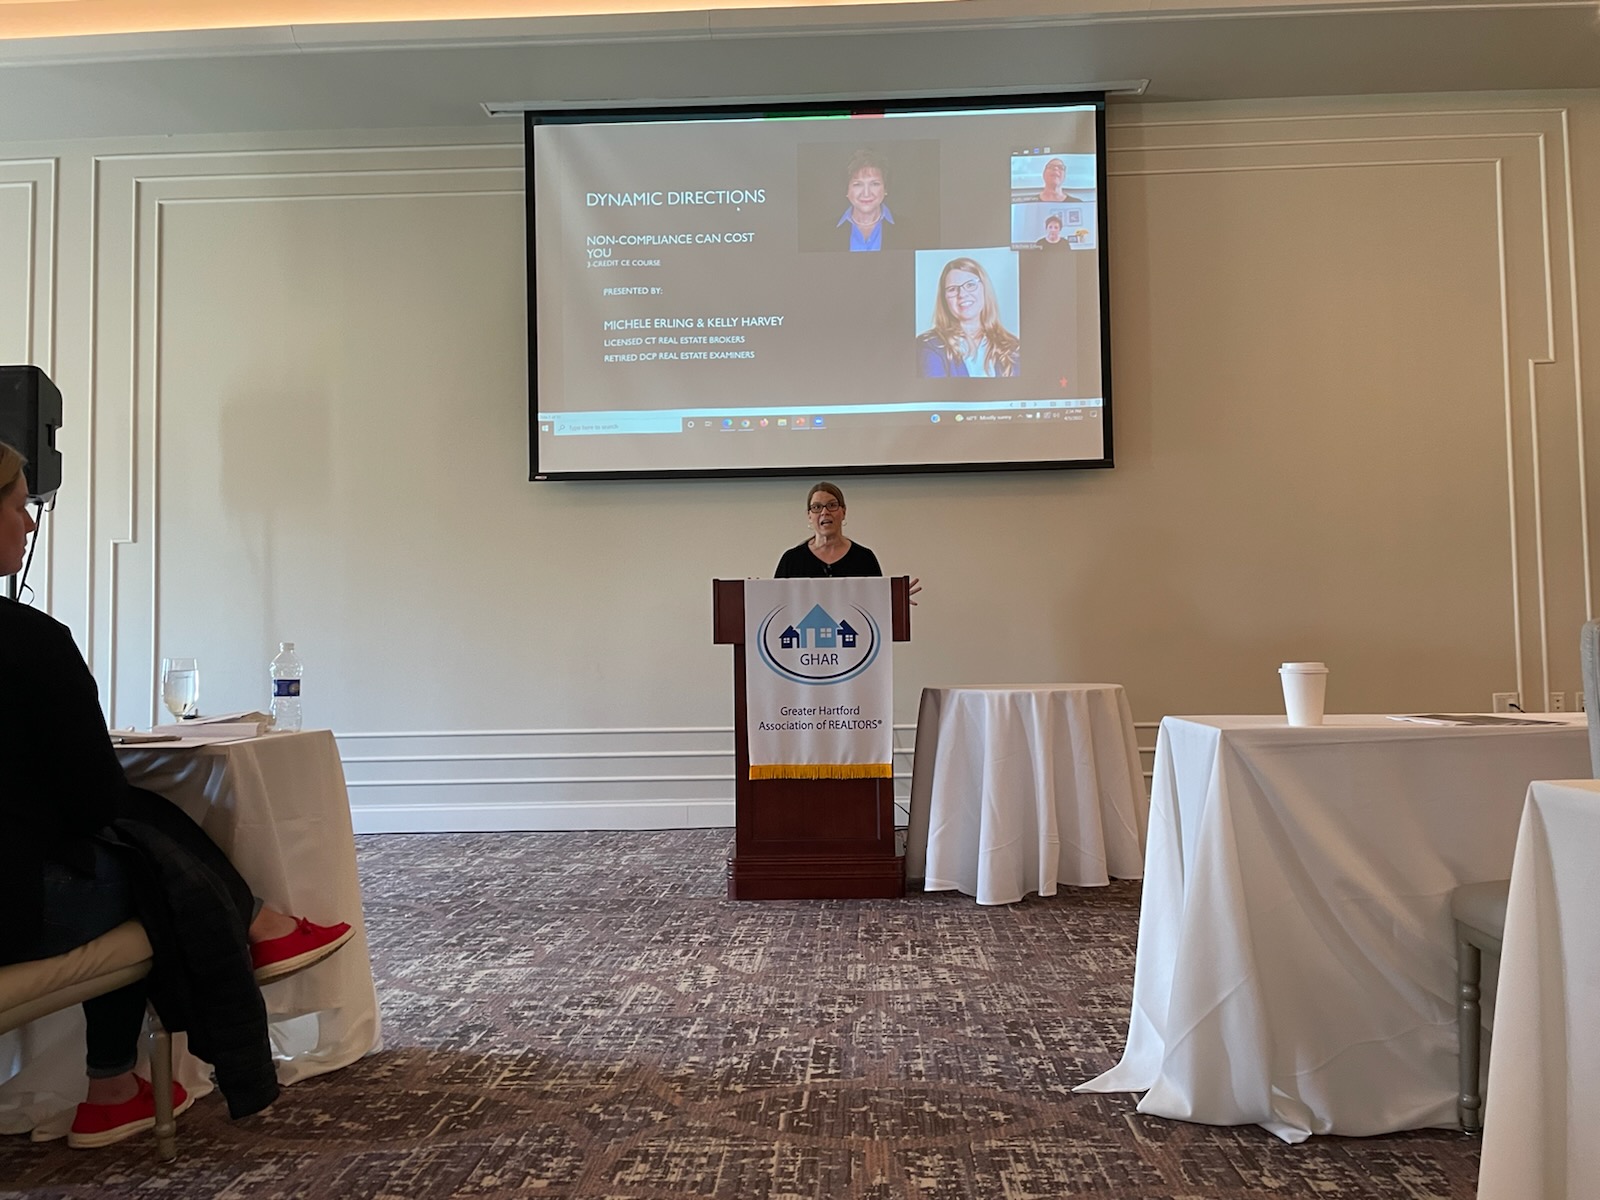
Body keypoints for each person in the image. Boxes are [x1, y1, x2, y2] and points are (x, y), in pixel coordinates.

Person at [0, 442, 354, 1149]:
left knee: (135, 840)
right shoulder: (31, 643)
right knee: (148, 867)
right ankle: (113, 1083)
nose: (30, 523)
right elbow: (94, 799)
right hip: (16, 913)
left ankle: (254, 932)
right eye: (17, 504)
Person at [774, 482, 921, 600]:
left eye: (832, 505)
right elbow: (776, 604)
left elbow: (875, 602)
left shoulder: (864, 558)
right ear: (809, 516)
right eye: (817, 507)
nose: (825, 512)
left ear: (843, 512)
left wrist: (895, 601)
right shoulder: (791, 560)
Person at [916, 258, 1021, 379]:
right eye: (952, 289)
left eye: (970, 285)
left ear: (985, 289)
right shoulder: (930, 345)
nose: (962, 294)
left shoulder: (1012, 347)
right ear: (944, 299)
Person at [836, 148, 893, 252]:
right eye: (858, 184)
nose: (866, 193)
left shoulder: (909, 230)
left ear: (885, 188)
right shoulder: (823, 234)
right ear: (847, 190)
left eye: (874, 184)